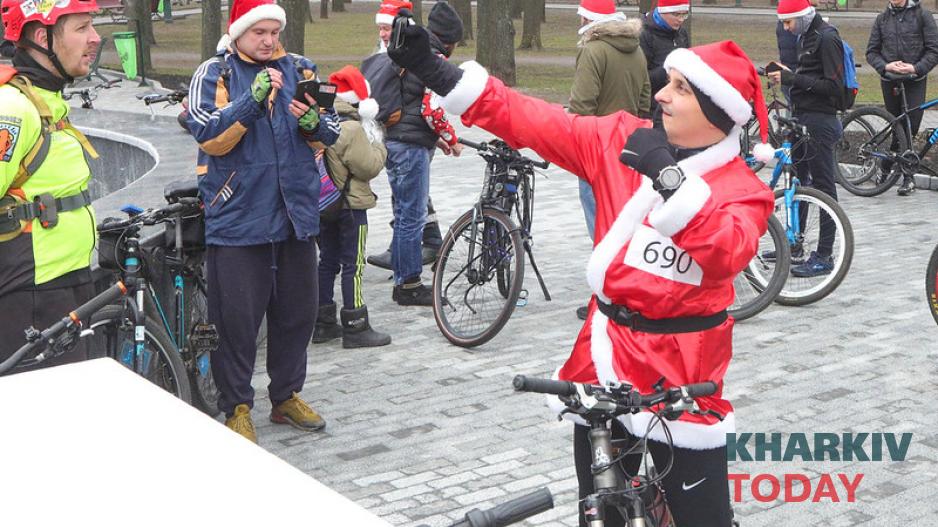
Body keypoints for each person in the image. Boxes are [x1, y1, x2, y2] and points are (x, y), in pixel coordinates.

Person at [388, 16, 775, 525]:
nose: (662, 94)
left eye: (681, 89)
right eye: (669, 82)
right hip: (604, 360)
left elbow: (725, 253)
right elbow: (530, 119)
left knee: (701, 516)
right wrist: (434, 70)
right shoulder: (623, 137)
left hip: (684, 376)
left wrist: (669, 179)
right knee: (602, 508)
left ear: (718, 113)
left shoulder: (743, 189)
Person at [187, 0, 339, 443]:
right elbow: (208, 135)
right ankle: (235, 405)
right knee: (237, 321)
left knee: (297, 315)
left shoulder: (301, 68)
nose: (269, 40)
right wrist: (249, 105)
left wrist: (315, 123)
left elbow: (330, 131)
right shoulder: (215, 73)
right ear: (238, 33)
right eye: (259, 32)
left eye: (275, 31)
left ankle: (286, 395)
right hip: (237, 216)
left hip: (296, 215)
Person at [0, 0, 102, 367]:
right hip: (32, 298)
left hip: (63, 286)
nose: (95, 38)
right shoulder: (14, 109)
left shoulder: (47, 101)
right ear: (42, 38)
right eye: (82, 28)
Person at [371, 1, 464, 306]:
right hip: (410, 148)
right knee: (412, 216)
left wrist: (436, 139)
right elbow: (431, 108)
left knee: (403, 214)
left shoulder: (406, 50)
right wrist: (451, 138)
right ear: (449, 41)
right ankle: (409, 284)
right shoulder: (429, 58)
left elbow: (409, 103)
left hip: (393, 140)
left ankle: (402, 276)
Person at [570, 0, 651, 320]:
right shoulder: (636, 49)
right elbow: (645, 100)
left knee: (600, 224)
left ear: (590, 17)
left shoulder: (594, 50)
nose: (578, 16)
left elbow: (581, 105)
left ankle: (606, 295)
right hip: (629, 147)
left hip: (597, 148)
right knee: (624, 220)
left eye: (581, 12)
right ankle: (631, 287)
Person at [311, 65, 392, 349]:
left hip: (325, 204)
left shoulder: (324, 121)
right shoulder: (352, 127)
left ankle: (323, 323)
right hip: (350, 207)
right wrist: (380, 146)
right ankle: (356, 325)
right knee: (354, 265)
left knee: (327, 262)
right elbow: (368, 167)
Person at [367, 0, 446, 270]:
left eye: (387, 28)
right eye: (379, 28)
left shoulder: (410, 56)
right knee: (410, 204)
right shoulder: (388, 56)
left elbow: (431, 105)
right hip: (401, 138)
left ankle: (406, 271)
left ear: (401, 28)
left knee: (409, 209)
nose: (382, 34)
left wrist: (448, 137)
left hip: (409, 139)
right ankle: (412, 263)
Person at [768, 0, 845, 277]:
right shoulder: (805, 35)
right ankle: (794, 245)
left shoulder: (826, 37)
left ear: (802, 17)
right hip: (802, 117)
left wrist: (792, 79)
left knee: (824, 189)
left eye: (788, 22)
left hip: (820, 121)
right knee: (797, 181)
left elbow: (834, 88)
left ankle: (825, 254)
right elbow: (807, 77)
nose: (786, 29)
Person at [866, 0, 938, 195]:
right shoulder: (882, 19)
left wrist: (916, 68)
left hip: (915, 80)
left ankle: (887, 166)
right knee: (896, 126)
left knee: (911, 127)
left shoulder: (922, 15)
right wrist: (886, 66)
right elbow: (871, 52)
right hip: (890, 80)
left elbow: (934, 49)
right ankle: (907, 176)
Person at [639, 0, 690, 123]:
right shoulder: (644, 35)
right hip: (653, 110)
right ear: (663, 12)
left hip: (678, 106)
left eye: (684, 14)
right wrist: (669, 68)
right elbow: (641, 80)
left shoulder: (682, 34)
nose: (681, 19)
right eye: (676, 14)